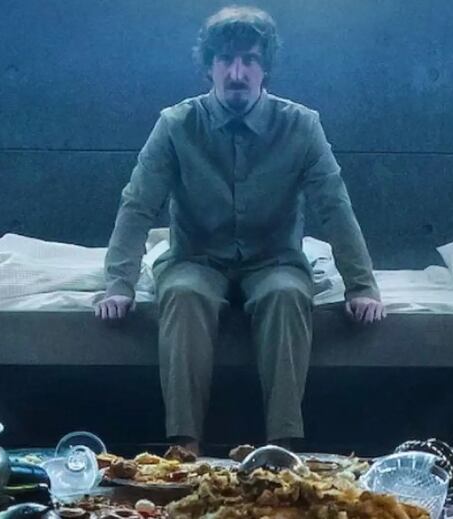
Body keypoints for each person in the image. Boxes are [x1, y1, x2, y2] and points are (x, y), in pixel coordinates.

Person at [96, 5, 385, 454]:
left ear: (264, 67)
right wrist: (119, 284)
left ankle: (281, 450)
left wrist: (361, 286)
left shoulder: (301, 125)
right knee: (184, 294)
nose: (236, 73)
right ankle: (184, 449)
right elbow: (138, 205)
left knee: (286, 295)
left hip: (274, 260)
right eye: (225, 60)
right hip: (195, 258)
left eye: (249, 60)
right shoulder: (176, 125)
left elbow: (334, 205)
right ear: (208, 66)